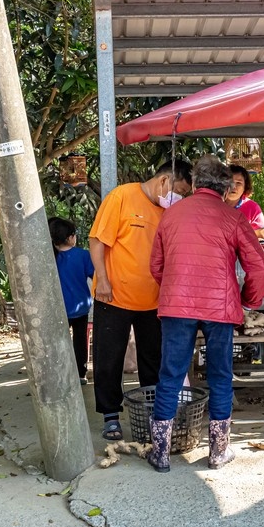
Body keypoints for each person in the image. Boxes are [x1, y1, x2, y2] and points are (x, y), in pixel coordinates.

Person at [147, 155, 264, 472]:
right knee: (219, 377)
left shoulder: (171, 215)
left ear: (197, 183)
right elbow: (259, 266)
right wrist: (249, 300)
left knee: (170, 375)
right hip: (220, 307)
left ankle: (160, 453)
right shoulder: (233, 217)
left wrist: (174, 290)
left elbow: (156, 266)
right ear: (225, 186)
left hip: (176, 307)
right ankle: (218, 452)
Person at [89, 159, 193, 441]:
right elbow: (98, 241)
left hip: (154, 302)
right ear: (164, 181)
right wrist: (103, 280)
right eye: (180, 191)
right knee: (108, 359)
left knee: (154, 361)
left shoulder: (168, 212)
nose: (179, 198)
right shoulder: (121, 196)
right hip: (113, 297)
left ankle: (152, 413)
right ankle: (111, 416)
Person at [48, 217, 94, 383]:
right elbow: (94, 275)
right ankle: (80, 374)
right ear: (69, 237)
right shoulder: (83, 255)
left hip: (58, 309)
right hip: (80, 308)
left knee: (58, 341)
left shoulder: (49, 258)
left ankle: (58, 373)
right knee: (80, 341)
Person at [224, 165, 264, 240]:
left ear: (245, 186)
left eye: (238, 183)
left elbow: (263, 239)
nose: (233, 187)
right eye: (230, 182)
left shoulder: (252, 208)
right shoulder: (212, 204)